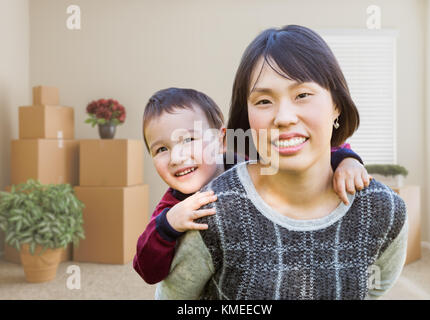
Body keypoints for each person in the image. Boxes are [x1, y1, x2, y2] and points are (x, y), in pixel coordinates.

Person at [155, 25, 407, 300]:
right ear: (248, 116)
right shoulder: (213, 210)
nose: (284, 117)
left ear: (336, 105)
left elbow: (374, 289)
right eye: (264, 101)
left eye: (302, 95)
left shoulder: (383, 210)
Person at [133, 87, 370, 285]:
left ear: (221, 141)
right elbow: (147, 270)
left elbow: (308, 156)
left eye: (188, 139)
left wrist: (346, 160)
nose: (176, 157)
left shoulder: (251, 167)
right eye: (161, 149)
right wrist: (168, 225)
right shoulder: (171, 208)